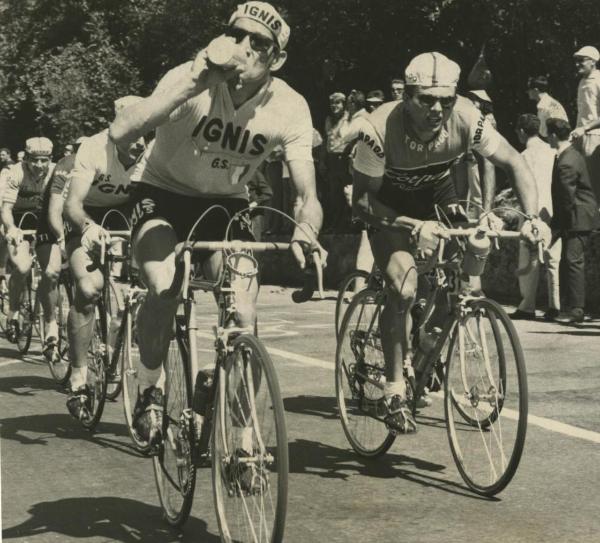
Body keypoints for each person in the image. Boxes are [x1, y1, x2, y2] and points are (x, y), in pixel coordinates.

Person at [109, 1, 325, 445]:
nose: (242, 48)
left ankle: (244, 437)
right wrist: (192, 82)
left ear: (276, 59)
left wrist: (307, 230)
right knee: (165, 284)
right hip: (162, 193)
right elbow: (120, 132)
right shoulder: (191, 78)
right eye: (236, 35)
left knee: (243, 313)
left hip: (227, 204)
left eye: (258, 43)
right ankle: (150, 383)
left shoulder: (289, 106)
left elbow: (307, 195)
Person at [352, 52, 543, 433]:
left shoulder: (468, 117)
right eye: (426, 99)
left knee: (467, 274)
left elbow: (514, 162)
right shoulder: (375, 129)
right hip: (388, 205)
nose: (437, 108)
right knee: (403, 288)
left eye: (446, 99)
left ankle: (426, 344)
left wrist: (533, 217)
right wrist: (411, 226)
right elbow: (360, 202)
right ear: (406, 96)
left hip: (437, 195)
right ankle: (393, 390)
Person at [59, 96, 146, 420]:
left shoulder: (151, 152)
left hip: (126, 219)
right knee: (90, 288)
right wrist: (87, 228)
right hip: (87, 217)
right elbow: (72, 204)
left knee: (150, 288)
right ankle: (79, 376)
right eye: (133, 134)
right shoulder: (95, 148)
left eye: (145, 132)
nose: (139, 143)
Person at [0, 137, 56, 343]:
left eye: (44, 160)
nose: (39, 165)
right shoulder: (15, 172)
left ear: (51, 158)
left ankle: (51, 322)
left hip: (44, 223)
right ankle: (13, 312)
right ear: (26, 157)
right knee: (22, 268)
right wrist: (11, 228)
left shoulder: (56, 171)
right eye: (34, 160)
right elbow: (5, 209)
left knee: (53, 271)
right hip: (18, 223)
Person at [547, 117, 600, 324]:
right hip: (579, 216)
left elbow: (566, 199)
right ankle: (571, 306)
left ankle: (577, 310)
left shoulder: (566, 161)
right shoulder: (572, 155)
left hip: (577, 218)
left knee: (573, 261)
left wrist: (557, 227)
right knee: (570, 261)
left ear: (553, 135)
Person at [510, 114, 561, 321]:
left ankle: (527, 305)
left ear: (522, 132)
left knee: (529, 256)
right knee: (553, 258)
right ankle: (555, 304)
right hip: (552, 209)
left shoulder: (523, 156)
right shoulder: (552, 151)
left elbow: (521, 186)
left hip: (532, 210)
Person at [570, 45, 600, 201]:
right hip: (579, 136)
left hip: (594, 137)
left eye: (581, 61)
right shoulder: (582, 81)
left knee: (593, 180)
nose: (577, 65)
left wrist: (586, 128)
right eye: (576, 61)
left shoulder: (599, 80)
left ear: (592, 62)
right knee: (578, 179)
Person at [323, 91, 351, 231]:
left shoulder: (349, 118)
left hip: (344, 159)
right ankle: (335, 224)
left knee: (347, 192)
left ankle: (347, 224)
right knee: (334, 194)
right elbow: (326, 141)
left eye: (338, 102)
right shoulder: (328, 119)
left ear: (344, 104)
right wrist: (323, 160)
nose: (334, 105)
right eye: (332, 103)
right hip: (332, 160)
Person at [526, 75, 568, 140]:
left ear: (535, 90)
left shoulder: (543, 106)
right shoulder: (550, 101)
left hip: (555, 141)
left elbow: (543, 133)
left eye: (529, 90)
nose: (527, 92)